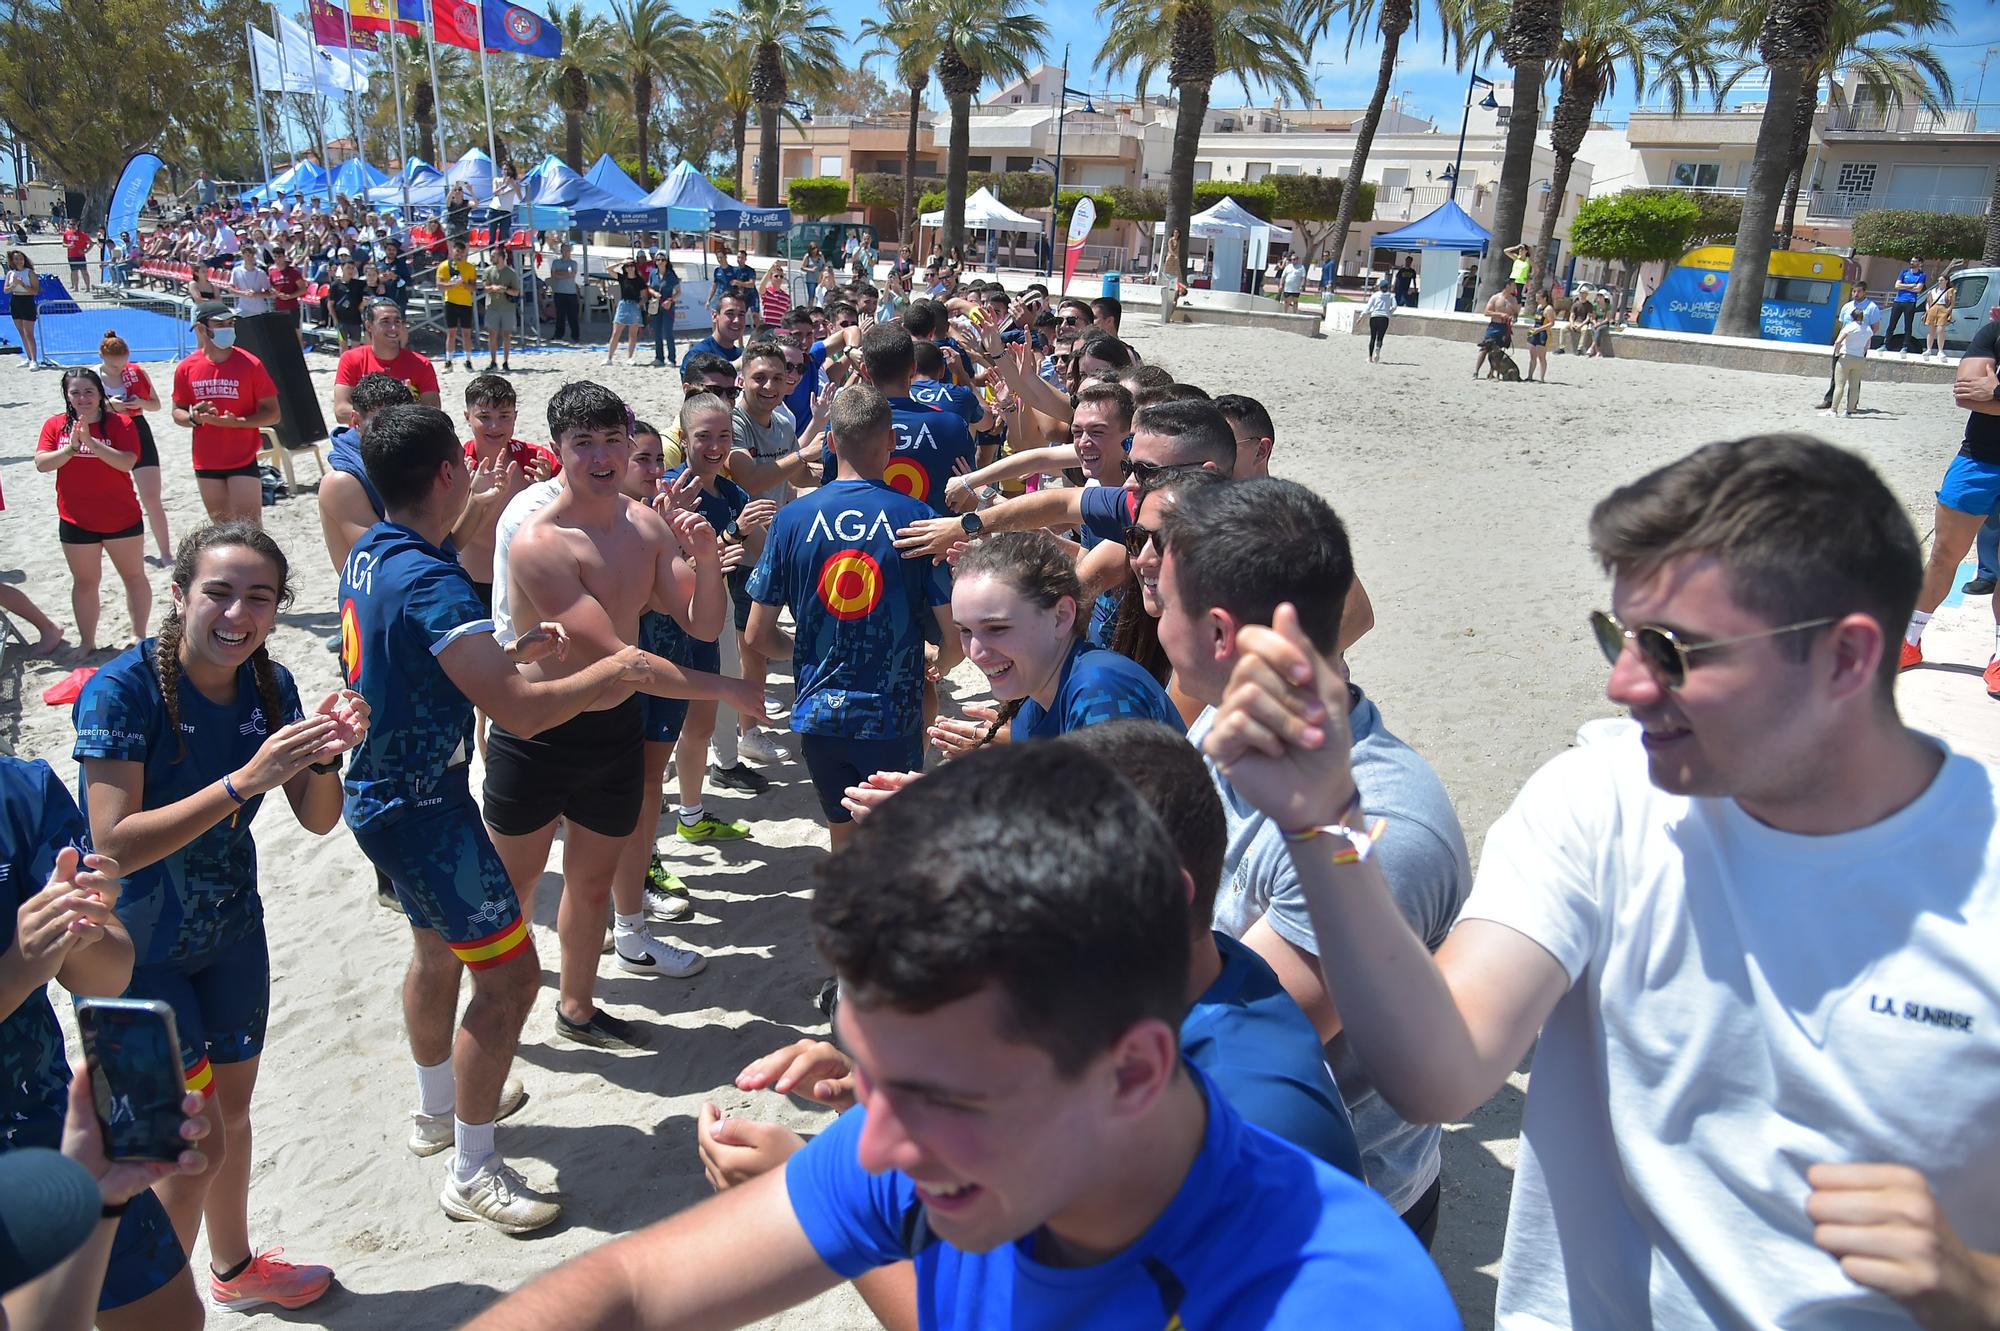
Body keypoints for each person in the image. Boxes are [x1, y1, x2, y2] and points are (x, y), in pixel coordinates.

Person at [1207, 434, 2000, 1327]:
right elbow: (1443, 1071)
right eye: (1617, 636)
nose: (1623, 683)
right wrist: (1326, 826)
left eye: (1670, 649)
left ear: (1848, 659)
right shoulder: (1602, 799)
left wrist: (1977, 1285)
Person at [464, 743, 1456, 1331]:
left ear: (1134, 1069)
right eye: (870, 1065)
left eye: (939, 1092)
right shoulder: (956, 1147)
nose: (878, 1141)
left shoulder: (1329, 1296)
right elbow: (628, 1286)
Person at [340, 403, 663, 1232]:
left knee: (431, 952)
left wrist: (501, 654)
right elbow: (518, 715)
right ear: (449, 471)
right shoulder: (434, 579)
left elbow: (415, 661)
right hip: (424, 806)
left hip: (380, 791)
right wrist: (612, 671)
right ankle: (472, 1170)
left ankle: (434, 1111)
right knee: (513, 975)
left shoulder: (373, 552)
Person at [1156, 477, 1470, 1241]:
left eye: (1162, 603)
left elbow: (1238, 1024)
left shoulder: (1384, 826)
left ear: (1221, 635)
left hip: (1329, 1205)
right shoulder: (1224, 730)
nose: (1152, 618)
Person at [70, 523, 362, 1312]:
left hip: (230, 934)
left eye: (258, 597)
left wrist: (326, 754)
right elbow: (114, 846)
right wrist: (244, 780)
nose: (238, 612)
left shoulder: (271, 687)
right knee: (171, 1147)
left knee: (229, 1116)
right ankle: (150, 1309)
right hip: (126, 952)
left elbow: (318, 818)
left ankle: (234, 1271)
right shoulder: (121, 692)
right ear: (179, 595)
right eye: (219, 592)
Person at [484, 382, 763, 1051]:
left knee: (589, 883)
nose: (603, 457)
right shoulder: (540, 542)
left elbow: (698, 621)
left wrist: (703, 560)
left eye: (613, 440)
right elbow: (619, 656)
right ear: (558, 449)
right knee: (513, 890)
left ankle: (577, 1010)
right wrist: (724, 686)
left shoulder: (644, 526)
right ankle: (496, 1019)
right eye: (585, 444)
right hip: (540, 733)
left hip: (614, 729)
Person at [0, 754, 215, 1331]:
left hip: (46, 1126)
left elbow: (108, 974)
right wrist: (19, 968)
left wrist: (84, 931)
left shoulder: (21, 789)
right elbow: (23, 968)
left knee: (172, 1316)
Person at [744, 385, 959, 851]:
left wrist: (803, 653)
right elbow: (953, 639)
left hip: (820, 712)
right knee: (892, 845)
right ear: (891, 443)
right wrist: (936, 663)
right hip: (891, 711)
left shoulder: (790, 520)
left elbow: (758, 635)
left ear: (831, 442)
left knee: (843, 842)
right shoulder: (919, 519)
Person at [652, 394, 778, 856]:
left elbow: (757, 549)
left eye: (723, 436)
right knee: (665, 728)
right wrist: (734, 535)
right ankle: (658, 826)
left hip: (712, 617)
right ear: (683, 438)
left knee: (710, 711)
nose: (714, 446)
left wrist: (751, 531)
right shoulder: (663, 491)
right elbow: (665, 569)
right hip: (667, 625)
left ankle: (701, 800)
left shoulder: (728, 493)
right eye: (703, 436)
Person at [928, 531, 1181, 758]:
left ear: (1061, 616)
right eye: (965, 630)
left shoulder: (1101, 691)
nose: (976, 653)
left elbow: (1108, 809)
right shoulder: (1035, 699)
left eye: (997, 628)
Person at [1902, 317, 2000, 689]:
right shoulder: (1994, 333)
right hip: (1977, 460)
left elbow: (1986, 396)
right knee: (1944, 556)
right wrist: (1985, 393)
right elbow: (1965, 395)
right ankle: (1909, 642)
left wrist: (1997, 390)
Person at [37, 368, 151, 655]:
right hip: (75, 519)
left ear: (100, 393)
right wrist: (71, 448)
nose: (82, 397)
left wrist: (91, 442)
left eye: (89, 391)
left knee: (133, 576)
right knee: (85, 582)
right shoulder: (55, 425)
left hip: (121, 517)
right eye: (75, 392)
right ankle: (87, 642)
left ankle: (139, 635)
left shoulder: (121, 423)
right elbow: (42, 463)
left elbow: (127, 462)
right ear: (66, 395)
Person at [170, 302, 279, 527]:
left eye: (230, 323)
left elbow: (273, 414)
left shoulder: (250, 363)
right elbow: (177, 411)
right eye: (219, 324)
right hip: (206, 460)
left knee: (250, 529)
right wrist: (193, 418)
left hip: (243, 457)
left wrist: (238, 423)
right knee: (222, 530)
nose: (227, 329)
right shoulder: (186, 367)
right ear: (201, 328)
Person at [96, 331, 173, 567]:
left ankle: (166, 553)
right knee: (112, 496)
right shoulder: (91, 377)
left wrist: (139, 403)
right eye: (114, 365)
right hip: (105, 432)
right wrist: (109, 406)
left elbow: (156, 405)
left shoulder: (135, 372)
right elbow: (78, 411)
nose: (120, 369)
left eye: (122, 364)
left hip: (136, 428)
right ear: (102, 356)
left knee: (151, 497)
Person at [333, 299, 441, 426]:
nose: (393, 328)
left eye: (397, 321)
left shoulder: (422, 364)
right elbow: (340, 411)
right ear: (369, 326)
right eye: (385, 322)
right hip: (363, 439)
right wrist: (397, 411)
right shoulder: (351, 359)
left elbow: (433, 412)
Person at [1818, 282, 1882, 411]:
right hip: (1843, 346)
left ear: (1864, 292)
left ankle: (1852, 405)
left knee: (1854, 379)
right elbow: (1842, 325)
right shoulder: (1847, 306)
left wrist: (1861, 339)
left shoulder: (1871, 307)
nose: (1855, 294)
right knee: (1836, 375)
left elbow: (1875, 327)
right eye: (1854, 291)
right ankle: (1830, 400)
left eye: (1858, 292)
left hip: (1858, 347)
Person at [682, 288, 747, 374]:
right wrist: (734, 366)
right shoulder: (697, 354)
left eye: (741, 314)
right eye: (730, 314)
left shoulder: (741, 355)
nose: (736, 320)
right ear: (714, 316)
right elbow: (696, 382)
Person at [436, 238, 478, 371]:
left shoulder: (470, 267)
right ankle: (448, 361)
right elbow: (439, 285)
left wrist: (464, 284)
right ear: (452, 252)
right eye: (457, 252)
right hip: (451, 302)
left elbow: (473, 287)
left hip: (466, 303)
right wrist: (452, 284)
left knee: (466, 333)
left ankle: (468, 360)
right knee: (451, 332)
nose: (459, 255)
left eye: (461, 252)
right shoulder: (444, 266)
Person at [482, 246, 519, 373]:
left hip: (507, 309)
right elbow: (484, 288)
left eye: (494, 256)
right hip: (492, 307)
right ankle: (493, 361)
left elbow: (516, 292)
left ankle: (506, 362)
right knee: (491, 334)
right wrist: (493, 288)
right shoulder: (488, 271)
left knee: (507, 335)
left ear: (501, 257)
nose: (491, 258)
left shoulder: (511, 273)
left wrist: (505, 290)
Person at [6, 249, 45, 369]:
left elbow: (35, 291)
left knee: (29, 332)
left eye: (21, 259)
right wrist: (14, 285)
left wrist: (22, 285)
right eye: (16, 259)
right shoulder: (10, 273)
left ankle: (34, 359)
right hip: (15, 301)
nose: (19, 261)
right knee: (21, 332)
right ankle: (28, 358)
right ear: (13, 261)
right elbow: (6, 290)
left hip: (27, 301)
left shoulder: (29, 273)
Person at [1831, 304, 1871, 417]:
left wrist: (1837, 352)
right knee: (1854, 386)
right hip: (1859, 358)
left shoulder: (1850, 326)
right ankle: (1849, 411)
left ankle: (1833, 410)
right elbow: (1866, 346)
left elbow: (1838, 341)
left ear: (1852, 316)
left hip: (1847, 356)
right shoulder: (1868, 329)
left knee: (1839, 385)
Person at [605, 258, 647, 366]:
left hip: (634, 305)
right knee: (615, 333)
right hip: (623, 305)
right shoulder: (622, 278)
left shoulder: (639, 280)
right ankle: (609, 358)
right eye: (627, 266)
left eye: (632, 265)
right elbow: (609, 269)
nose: (630, 268)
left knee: (632, 334)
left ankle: (630, 357)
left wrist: (640, 303)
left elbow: (644, 295)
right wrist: (620, 262)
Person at [1473, 283, 1520, 379]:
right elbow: (1487, 312)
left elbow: (1515, 313)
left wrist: (1514, 318)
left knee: (1498, 351)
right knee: (1485, 348)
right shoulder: (1495, 298)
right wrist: (1500, 315)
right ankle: (1476, 371)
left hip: (1505, 327)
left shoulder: (1513, 299)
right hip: (1495, 326)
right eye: (1513, 286)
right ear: (1507, 286)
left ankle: (1492, 373)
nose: (1515, 288)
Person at [1888, 254, 1926, 354]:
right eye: (1912, 261)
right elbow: (1897, 285)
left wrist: (1903, 286)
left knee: (1908, 325)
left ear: (1919, 263)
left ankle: (1905, 346)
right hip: (1898, 300)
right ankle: (1885, 343)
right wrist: (1910, 286)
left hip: (1910, 302)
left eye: (1914, 261)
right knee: (1892, 324)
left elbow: (1918, 289)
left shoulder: (1922, 275)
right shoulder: (1904, 272)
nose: (1912, 263)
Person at [546, 242, 581, 342]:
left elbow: (572, 274)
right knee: (560, 315)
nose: (566, 252)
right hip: (559, 292)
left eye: (568, 250)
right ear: (561, 251)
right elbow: (554, 274)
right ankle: (558, 335)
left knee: (572, 316)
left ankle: (575, 336)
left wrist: (561, 273)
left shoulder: (573, 263)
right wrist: (565, 274)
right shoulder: (556, 262)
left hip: (571, 293)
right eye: (564, 250)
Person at [1362, 278, 1396, 364]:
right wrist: (1389, 313)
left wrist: (1361, 316)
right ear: (1387, 287)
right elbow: (1395, 306)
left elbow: (1368, 307)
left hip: (1374, 317)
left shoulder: (1375, 295)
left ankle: (1370, 358)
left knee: (1373, 337)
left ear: (1380, 287)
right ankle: (1378, 350)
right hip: (1384, 318)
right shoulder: (1391, 296)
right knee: (1380, 337)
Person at [1923, 273, 1956, 361]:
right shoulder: (1933, 291)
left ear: (1946, 281)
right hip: (1933, 309)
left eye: (1941, 280)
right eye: (1939, 280)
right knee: (1931, 330)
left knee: (1940, 330)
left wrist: (1947, 312)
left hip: (1943, 309)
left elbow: (1952, 303)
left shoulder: (1950, 290)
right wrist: (1928, 310)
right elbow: (1928, 302)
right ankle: (1928, 349)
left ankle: (1940, 350)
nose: (1939, 282)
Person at [1525, 293, 1554, 383]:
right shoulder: (1539, 307)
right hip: (1535, 331)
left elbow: (1551, 323)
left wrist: (1539, 329)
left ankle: (1542, 378)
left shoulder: (1548, 309)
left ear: (1544, 298)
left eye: (1538, 298)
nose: (1537, 300)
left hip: (1543, 333)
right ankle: (1530, 376)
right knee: (1532, 356)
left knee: (1541, 357)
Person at [62, 222, 90, 292]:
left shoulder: (82, 234)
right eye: (71, 224)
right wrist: (68, 245)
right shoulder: (66, 233)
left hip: (80, 256)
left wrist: (86, 251)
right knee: (74, 272)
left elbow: (91, 243)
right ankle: (76, 287)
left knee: (84, 272)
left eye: (73, 224)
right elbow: (63, 244)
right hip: (71, 256)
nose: (72, 226)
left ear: (76, 225)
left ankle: (88, 288)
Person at [801, 240, 825, 305]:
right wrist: (811, 270)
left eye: (815, 248)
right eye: (812, 249)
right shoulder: (807, 256)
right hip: (811, 279)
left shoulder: (820, 255)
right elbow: (802, 267)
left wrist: (822, 270)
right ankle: (810, 310)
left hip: (819, 279)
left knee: (819, 296)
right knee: (811, 297)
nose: (814, 250)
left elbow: (824, 264)